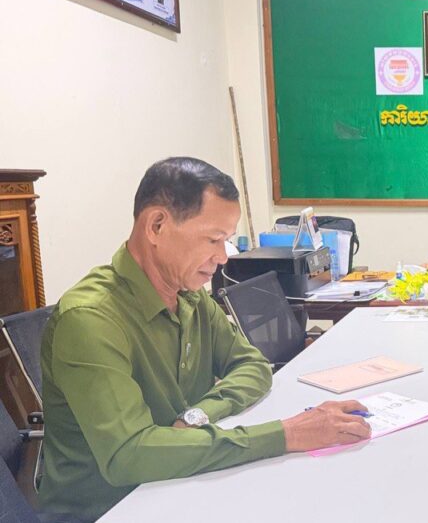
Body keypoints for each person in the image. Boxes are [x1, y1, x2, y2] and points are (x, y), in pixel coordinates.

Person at [40, 157, 372, 521]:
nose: (222, 257)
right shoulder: (90, 318)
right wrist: (286, 435)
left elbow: (252, 365)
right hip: (113, 508)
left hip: (183, 485)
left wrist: (198, 415)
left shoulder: (189, 296)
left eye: (226, 241)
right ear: (156, 226)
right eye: (213, 239)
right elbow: (129, 454)